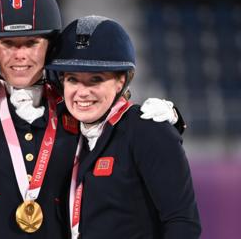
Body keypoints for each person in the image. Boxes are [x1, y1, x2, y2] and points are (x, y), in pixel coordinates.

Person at [0, 0, 182, 239]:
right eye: (8, 44)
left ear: (51, 46)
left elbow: (127, 136)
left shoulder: (75, 105)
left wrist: (171, 122)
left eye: (32, 43)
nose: (19, 55)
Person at [45, 15, 201, 239]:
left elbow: (183, 223)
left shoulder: (147, 130)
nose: (82, 92)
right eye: (72, 79)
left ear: (122, 80)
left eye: (95, 79)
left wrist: (171, 123)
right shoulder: (68, 133)